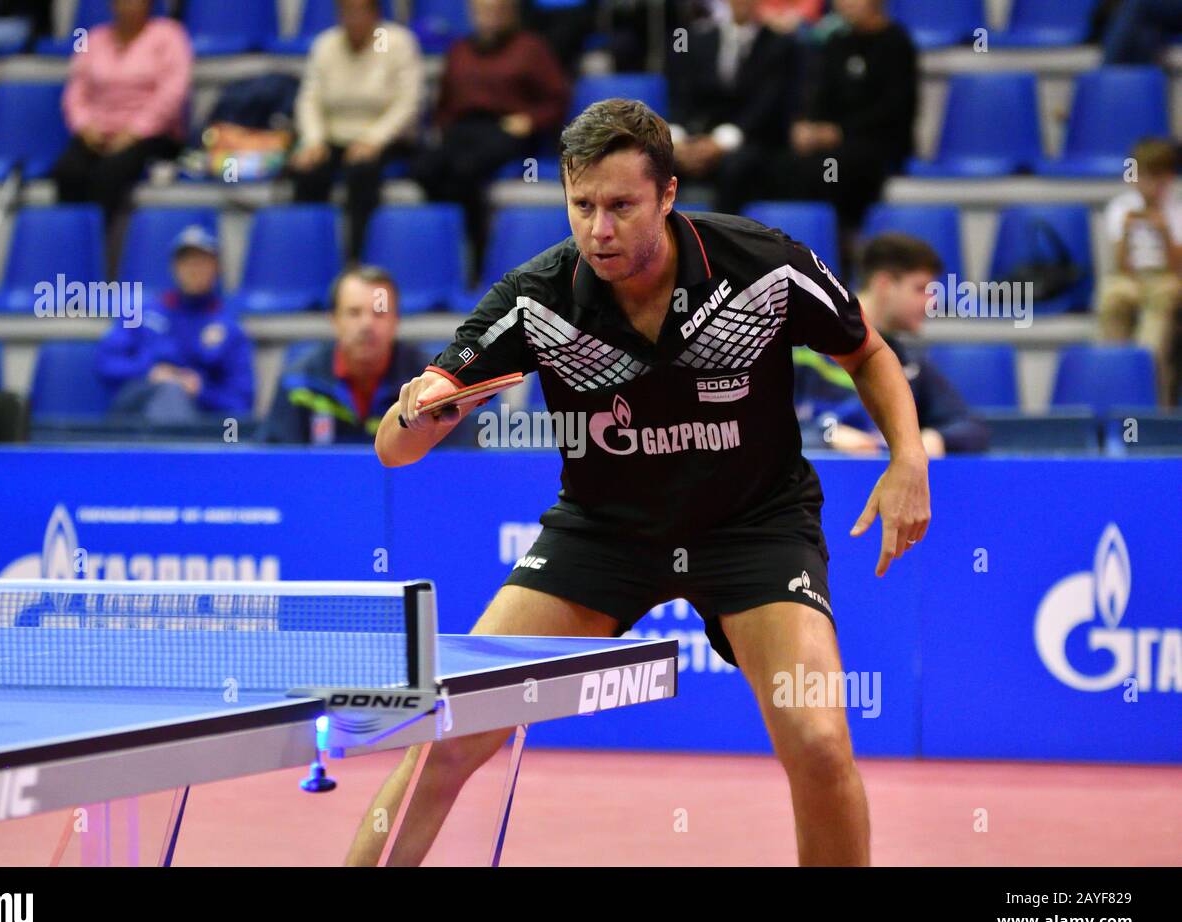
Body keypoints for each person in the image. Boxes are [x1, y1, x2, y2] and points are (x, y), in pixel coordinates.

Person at [349, 98, 931, 866]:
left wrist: (907, 459)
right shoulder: (536, 297)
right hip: (605, 532)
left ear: (667, 193)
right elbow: (397, 448)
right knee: (448, 733)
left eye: (622, 205)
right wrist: (416, 415)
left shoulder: (762, 265)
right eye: (582, 205)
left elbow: (867, 350)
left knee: (820, 741)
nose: (599, 229)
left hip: (753, 526)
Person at [411, 0, 570, 284]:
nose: (490, 16)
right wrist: (444, 128)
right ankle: (453, 244)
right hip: (461, 130)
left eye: (497, 10)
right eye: (483, 10)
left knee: (466, 170)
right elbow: (444, 101)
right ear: (472, 13)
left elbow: (557, 99)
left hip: (506, 129)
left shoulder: (531, 48)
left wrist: (530, 120)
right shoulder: (459, 49)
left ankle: (476, 252)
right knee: (423, 168)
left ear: (511, 12)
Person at [795, 233, 989, 455]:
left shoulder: (910, 364)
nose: (931, 301)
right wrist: (827, 435)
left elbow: (970, 427)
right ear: (884, 284)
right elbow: (760, 423)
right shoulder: (802, 350)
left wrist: (936, 438)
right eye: (920, 288)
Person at [288, 0, 423, 260]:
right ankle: (311, 260)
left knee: (362, 174)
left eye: (360, 11)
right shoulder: (325, 44)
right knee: (306, 173)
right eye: (347, 12)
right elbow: (309, 99)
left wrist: (374, 140)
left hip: (387, 139)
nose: (354, 18)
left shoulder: (397, 42)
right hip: (334, 137)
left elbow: (409, 102)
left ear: (375, 13)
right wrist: (313, 141)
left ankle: (357, 261)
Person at [768, 0, 917, 230]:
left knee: (829, 171)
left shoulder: (896, 42)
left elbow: (895, 108)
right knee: (782, 164)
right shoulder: (837, 43)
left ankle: (838, 244)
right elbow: (820, 96)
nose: (846, 4)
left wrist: (840, 132)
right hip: (833, 142)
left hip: (878, 144)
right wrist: (808, 126)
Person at [96, 225, 253, 424]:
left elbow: (241, 403)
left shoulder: (228, 327)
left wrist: (200, 389)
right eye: (187, 262)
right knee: (167, 391)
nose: (194, 270)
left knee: (173, 394)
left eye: (202, 262)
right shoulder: (143, 313)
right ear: (174, 267)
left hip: (200, 422)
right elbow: (106, 363)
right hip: (137, 409)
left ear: (217, 268)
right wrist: (150, 372)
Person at [53, 0, 192, 222]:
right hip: (96, 134)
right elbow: (75, 90)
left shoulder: (170, 35)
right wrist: (84, 126)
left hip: (151, 136)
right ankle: (70, 241)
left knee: (109, 173)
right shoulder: (91, 39)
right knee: (67, 171)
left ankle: (99, 246)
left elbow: (173, 93)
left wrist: (134, 132)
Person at [263, 266, 433, 444]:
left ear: (396, 320)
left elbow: (455, 462)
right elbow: (278, 464)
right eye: (354, 312)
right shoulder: (298, 383)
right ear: (334, 320)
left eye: (379, 313)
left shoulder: (428, 384)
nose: (367, 324)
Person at [666, 0, 801, 213]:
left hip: (751, 140)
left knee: (736, 168)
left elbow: (767, 106)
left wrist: (719, 143)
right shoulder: (698, 40)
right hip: (697, 134)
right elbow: (682, 95)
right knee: (656, 160)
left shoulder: (780, 45)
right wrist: (679, 139)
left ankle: (721, 239)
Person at [1097, 137, 1182, 407]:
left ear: (1168, 178)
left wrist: (1164, 230)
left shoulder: (1177, 210)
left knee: (1163, 302)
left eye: (1157, 176)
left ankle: (1151, 395)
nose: (1150, 184)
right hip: (1130, 277)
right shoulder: (1121, 208)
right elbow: (1121, 265)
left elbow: (1177, 268)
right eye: (1143, 175)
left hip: (1165, 278)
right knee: (1113, 296)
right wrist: (1125, 233)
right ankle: (1115, 377)